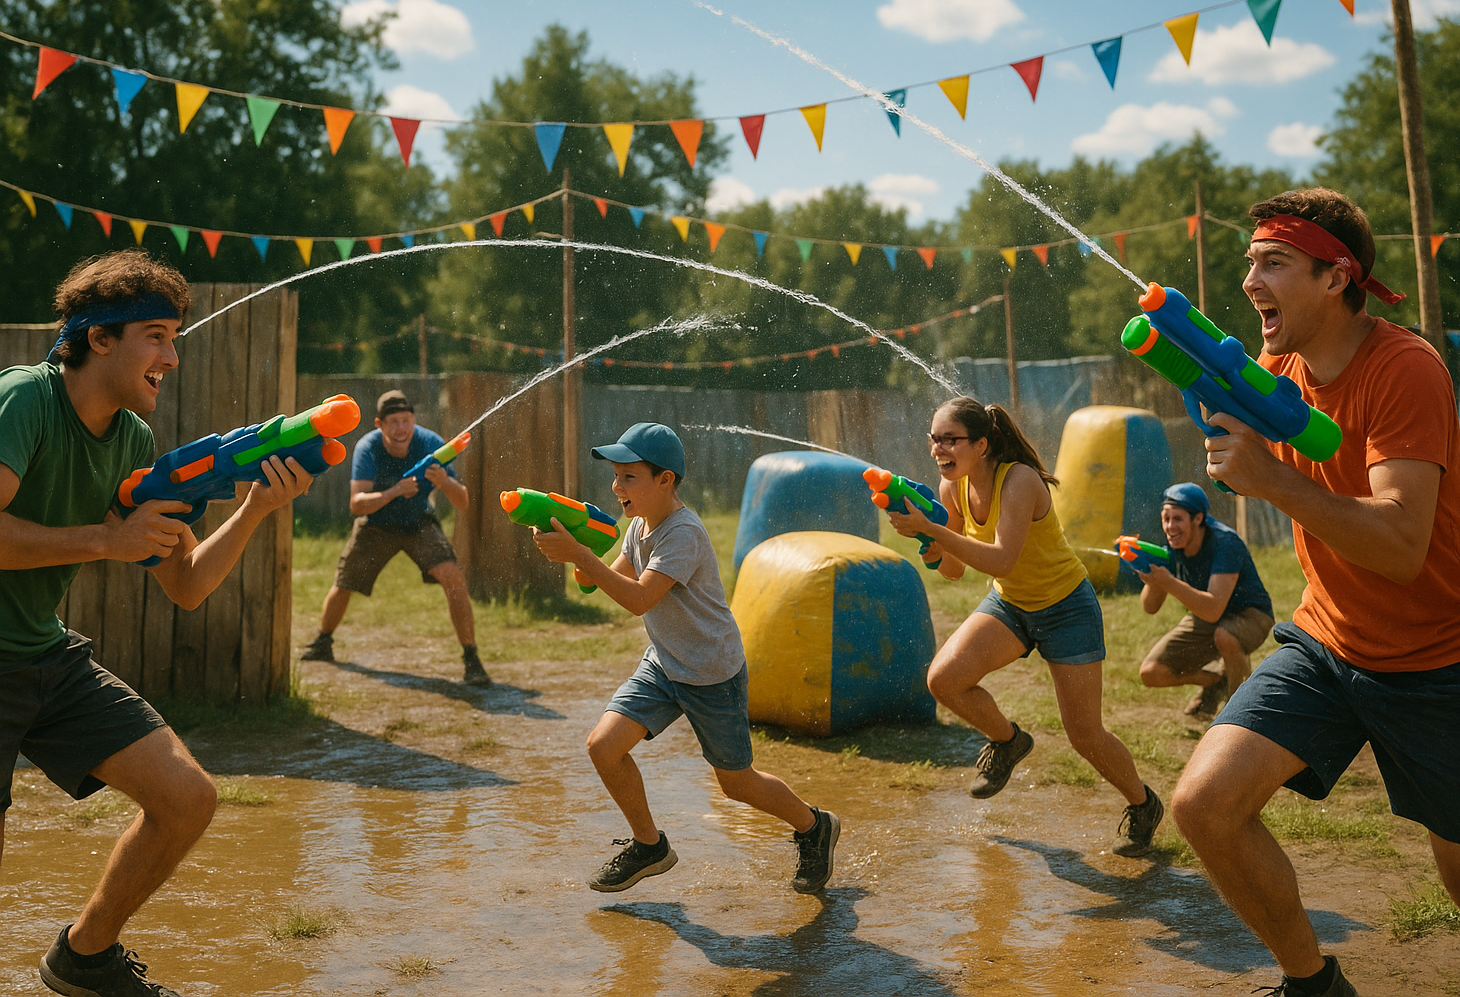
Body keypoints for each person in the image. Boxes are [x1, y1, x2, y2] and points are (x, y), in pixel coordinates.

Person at [1170, 187, 1460, 996]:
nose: (1250, 282)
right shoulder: (1277, 369)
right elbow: (1254, 455)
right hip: (1328, 642)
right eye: (1249, 264)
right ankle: (1315, 986)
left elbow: (1403, 546)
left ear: (1337, 278)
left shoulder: (1406, 369)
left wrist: (1269, 480)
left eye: (1273, 263)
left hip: (1440, 659)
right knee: (1204, 805)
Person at [1, 250, 312, 997]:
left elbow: (187, 585)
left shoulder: (135, 446)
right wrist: (107, 539)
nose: (171, 357)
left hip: (43, 657)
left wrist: (254, 509)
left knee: (187, 798)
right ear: (99, 338)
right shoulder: (25, 399)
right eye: (156, 336)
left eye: (175, 337)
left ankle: (83, 956)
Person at [532, 422, 839, 893]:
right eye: (615, 476)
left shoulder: (683, 534)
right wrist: (573, 535)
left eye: (629, 477)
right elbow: (596, 581)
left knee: (736, 784)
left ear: (665, 480)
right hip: (665, 664)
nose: (617, 487)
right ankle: (649, 846)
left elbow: (638, 599)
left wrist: (580, 554)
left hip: (711, 672)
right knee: (603, 746)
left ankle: (814, 826)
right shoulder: (639, 526)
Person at [882, 396, 1163, 857]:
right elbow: (953, 569)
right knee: (944, 680)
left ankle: (1143, 803)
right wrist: (929, 543)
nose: (938, 448)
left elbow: (1002, 558)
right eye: (933, 439)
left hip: (1066, 607)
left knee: (1085, 735)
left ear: (981, 443)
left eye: (949, 440)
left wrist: (934, 532)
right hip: (1012, 604)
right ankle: (1008, 741)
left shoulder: (1020, 481)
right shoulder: (952, 488)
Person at [300, 390, 487, 686]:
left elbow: (463, 502)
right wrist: (394, 492)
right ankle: (323, 642)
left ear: (413, 420)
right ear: (379, 424)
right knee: (344, 582)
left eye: (406, 421)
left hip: (418, 521)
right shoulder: (368, 448)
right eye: (393, 423)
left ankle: (472, 659)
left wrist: (445, 482)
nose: (401, 429)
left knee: (454, 578)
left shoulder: (431, 443)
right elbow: (356, 504)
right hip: (376, 524)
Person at [1134, 482, 1274, 720]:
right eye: (1165, 518)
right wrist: (1151, 576)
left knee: (1226, 636)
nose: (1170, 527)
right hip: (1211, 617)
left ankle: (1238, 714)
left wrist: (1168, 582)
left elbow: (1212, 609)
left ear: (1198, 518)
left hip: (1251, 616)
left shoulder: (1226, 543)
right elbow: (1150, 607)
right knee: (1151, 672)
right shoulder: (1173, 546)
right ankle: (1216, 682)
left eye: (1177, 519)